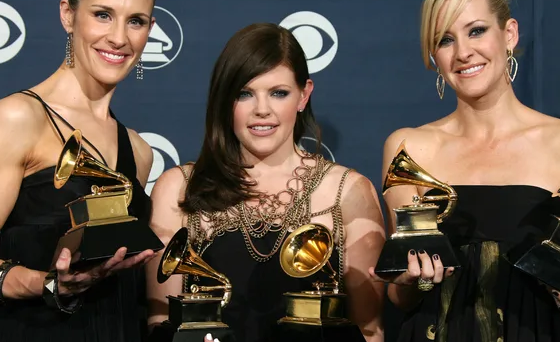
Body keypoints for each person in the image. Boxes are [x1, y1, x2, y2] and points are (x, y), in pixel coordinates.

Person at [369, 0, 560, 342]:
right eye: (444, 39)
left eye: (476, 31)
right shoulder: (408, 149)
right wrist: (409, 281)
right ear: (433, 56)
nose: (462, 53)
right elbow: (400, 297)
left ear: (509, 34)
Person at [0, 0, 159, 342]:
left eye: (136, 21)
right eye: (102, 14)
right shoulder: (18, 118)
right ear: (67, 14)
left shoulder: (139, 152)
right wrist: (47, 284)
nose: (118, 37)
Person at [146, 23, 387, 342]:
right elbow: (160, 321)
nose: (262, 110)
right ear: (224, 100)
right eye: (244, 93)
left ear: (303, 96)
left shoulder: (348, 191)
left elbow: (370, 331)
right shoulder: (177, 189)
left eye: (278, 93)